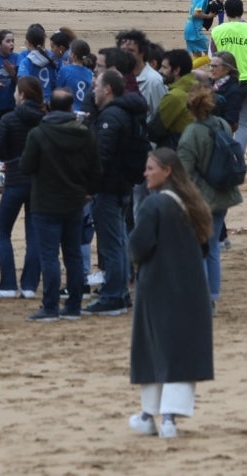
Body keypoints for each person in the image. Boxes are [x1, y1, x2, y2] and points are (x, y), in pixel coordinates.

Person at [127, 148, 214, 439]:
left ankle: (149, 415)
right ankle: (168, 420)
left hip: (157, 288)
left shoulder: (153, 205)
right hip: (191, 289)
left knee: (153, 350)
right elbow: (204, 246)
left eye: (151, 168)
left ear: (167, 171)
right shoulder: (193, 202)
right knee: (181, 352)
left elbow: (138, 246)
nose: (146, 173)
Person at [22, 89, 101, 322]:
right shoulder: (84, 133)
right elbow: (96, 168)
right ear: (70, 108)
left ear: (49, 107)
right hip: (74, 201)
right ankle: (73, 305)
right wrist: (89, 191)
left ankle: (50, 306)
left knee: (49, 256)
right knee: (73, 254)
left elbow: (26, 167)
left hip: (45, 202)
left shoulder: (39, 134)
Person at [91, 67, 150, 313]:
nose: (93, 90)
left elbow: (102, 157)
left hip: (109, 186)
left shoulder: (111, 116)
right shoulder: (127, 112)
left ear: (107, 89)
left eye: (97, 85)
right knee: (119, 239)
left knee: (112, 244)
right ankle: (120, 292)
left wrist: (90, 186)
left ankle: (113, 296)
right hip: (123, 184)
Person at [177, 84, 242, 308]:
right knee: (212, 247)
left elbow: (184, 172)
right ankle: (212, 296)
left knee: (199, 249)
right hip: (223, 192)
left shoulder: (191, 133)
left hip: (200, 197)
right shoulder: (223, 124)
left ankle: (203, 300)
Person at [0, 77, 46, 299]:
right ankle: (29, 285)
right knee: (34, 235)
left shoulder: (10, 119)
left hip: (14, 180)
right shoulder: (44, 119)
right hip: (38, 181)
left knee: (3, 232)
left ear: (22, 95)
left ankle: (8, 283)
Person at [210, 0, 247, 149]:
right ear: (242, 11)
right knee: (243, 124)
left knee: (223, 123)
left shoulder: (217, 31)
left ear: (226, 12)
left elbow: (213, 55)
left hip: (225, 83)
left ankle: (224, 155)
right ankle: (237, 157)